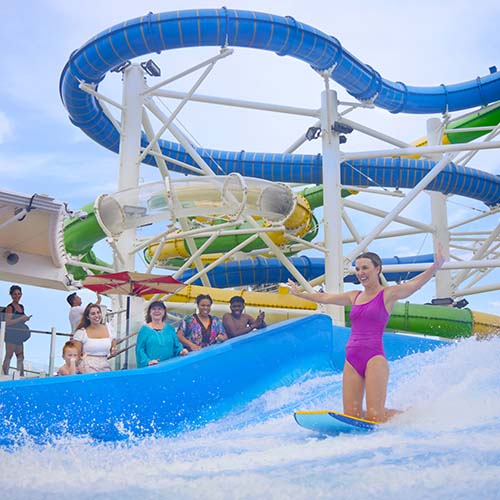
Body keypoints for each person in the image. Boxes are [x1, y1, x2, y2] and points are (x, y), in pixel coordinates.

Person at [287, 246, 445, 423]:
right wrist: (300, 294)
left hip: (374, 358)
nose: (360, 272)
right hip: (352, 358)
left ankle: (408, 417)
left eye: (365, 268)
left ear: (377, 269)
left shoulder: (388, 294)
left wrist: (435, 267)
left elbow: (413, 285)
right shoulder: (354, 296)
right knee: (352, 415)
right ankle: (392, 416)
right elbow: (325, 298)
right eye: (357, 269)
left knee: (375, 416)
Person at [136, 301, 188, 368]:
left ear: (164, 312)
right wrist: (147, 362)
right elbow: (140, 350)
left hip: (169, 367)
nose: (157, 311)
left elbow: (176, 346)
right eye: (154, 309)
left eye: (159, 309)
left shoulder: (170, 329)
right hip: (151, 368)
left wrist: (181, 351)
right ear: (150, 312)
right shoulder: (144, 330)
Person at [72, 303, 117, 373]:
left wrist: (114, 352)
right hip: (87, 366)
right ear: (88, 317)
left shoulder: (110, 329)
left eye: (98, 312)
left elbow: (113, 350)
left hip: (105, 365)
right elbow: (76, 356)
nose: (96, 315)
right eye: (93, 314)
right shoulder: (81, 333)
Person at [2, 285, 31, 376]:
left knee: (20, 356)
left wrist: (25, 319)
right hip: (11, 334)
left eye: (19, 294)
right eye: (15, 294)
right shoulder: (10, 307)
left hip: (19, 335)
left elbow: (21, 319)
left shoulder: (21, 307)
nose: (17, 296)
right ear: (11, 295)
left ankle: (20, 375)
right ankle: (5, 375)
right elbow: (7, 322)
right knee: (9, 355)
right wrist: (20, 319)